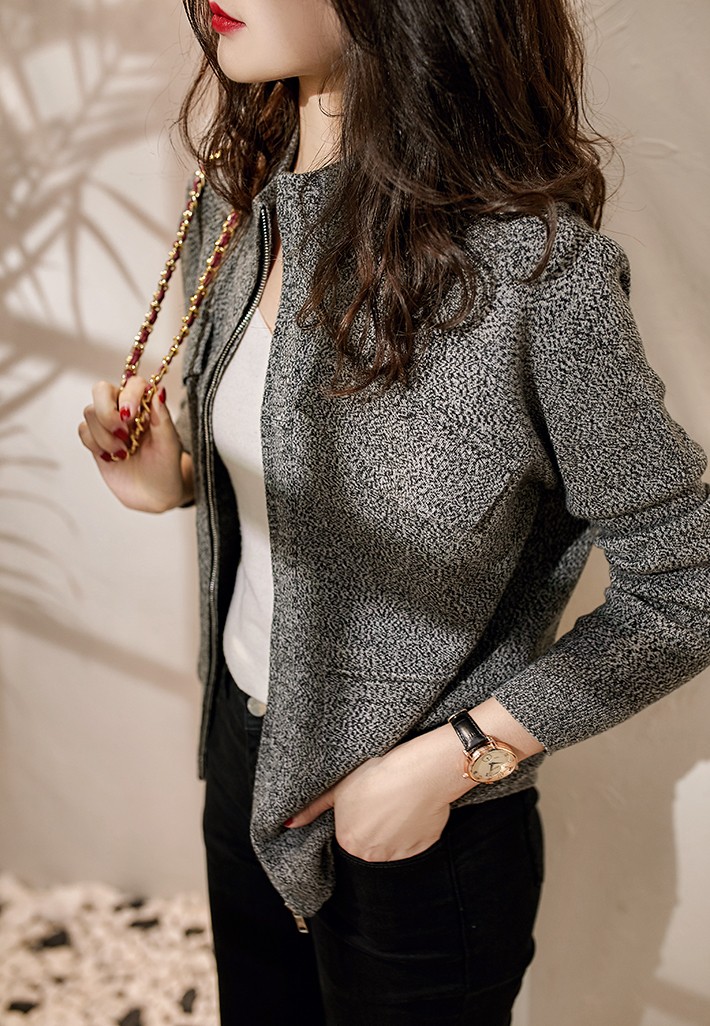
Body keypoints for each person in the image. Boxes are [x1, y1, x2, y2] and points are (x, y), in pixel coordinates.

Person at [78, 1, 710, 1023]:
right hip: (243, 757)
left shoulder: (534, 277)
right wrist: (175, 478)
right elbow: (297, 475)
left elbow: (689, 585)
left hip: (417, 825)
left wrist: (457, 758)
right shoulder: (240, 210)